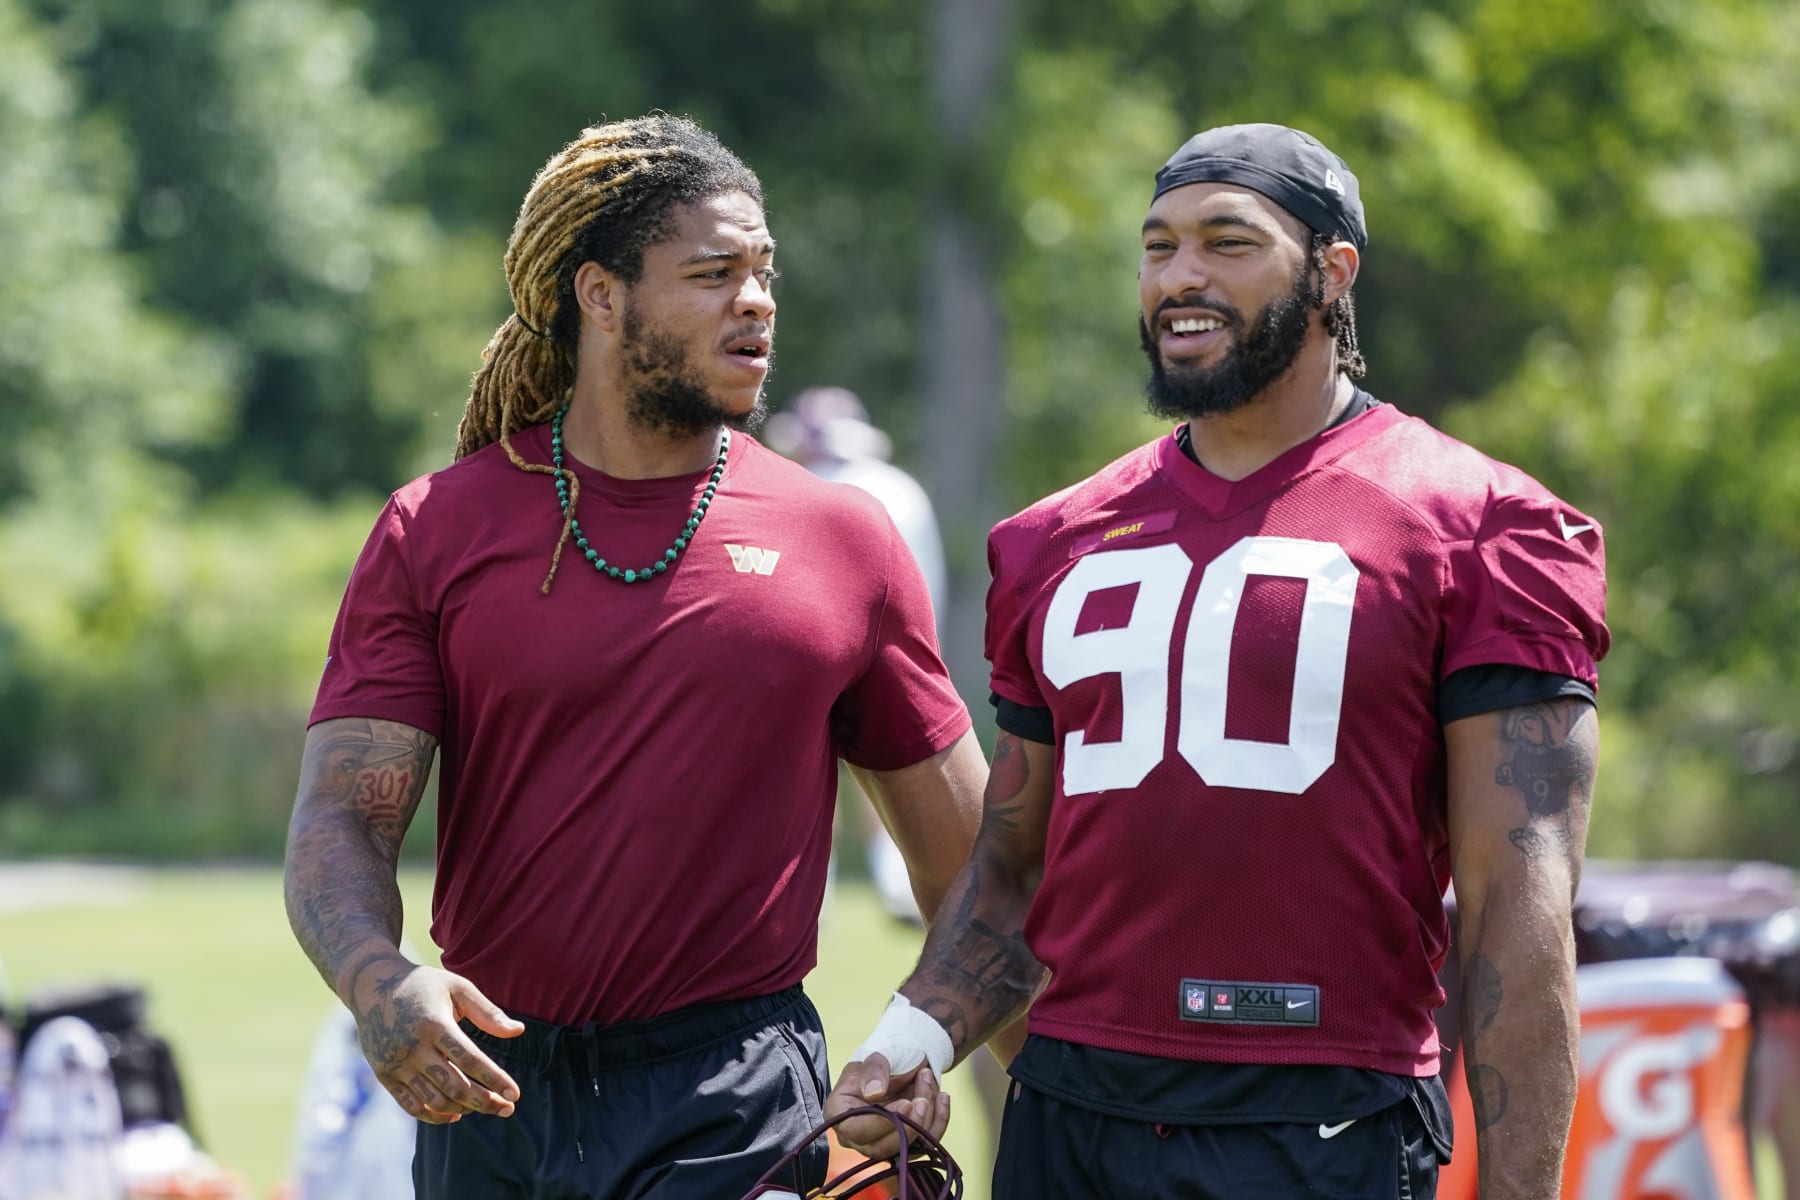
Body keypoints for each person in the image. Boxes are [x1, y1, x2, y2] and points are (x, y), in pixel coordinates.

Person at [827, 123, 1610, 1199]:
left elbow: (1516, 912)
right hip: (1072, 1121)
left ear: (1334, 271)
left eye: (1227, 241)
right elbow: (1012, 874)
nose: (1180, 277)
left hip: (1323, 1121)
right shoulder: (1054, 541)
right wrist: (908, 1043)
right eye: (1158, 247)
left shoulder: (1483, 526)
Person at [282, 113, 986, 1200]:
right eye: (713, 273)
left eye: (763, 272)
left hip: (739, 1095)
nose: (756, 301)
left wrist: (941, 1056)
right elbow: (342, 816)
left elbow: (975, 868)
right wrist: (381, 984)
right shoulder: (437, 528)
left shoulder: (843, 540)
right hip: (490, 1099)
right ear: (599, 295)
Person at [766, 386, 949, 925]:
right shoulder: (904, 488)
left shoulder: (822, 489)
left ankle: (809, 898)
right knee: (894, 778)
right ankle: (896, 886)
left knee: (803, 780)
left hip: (823, 652)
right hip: (907, 654)